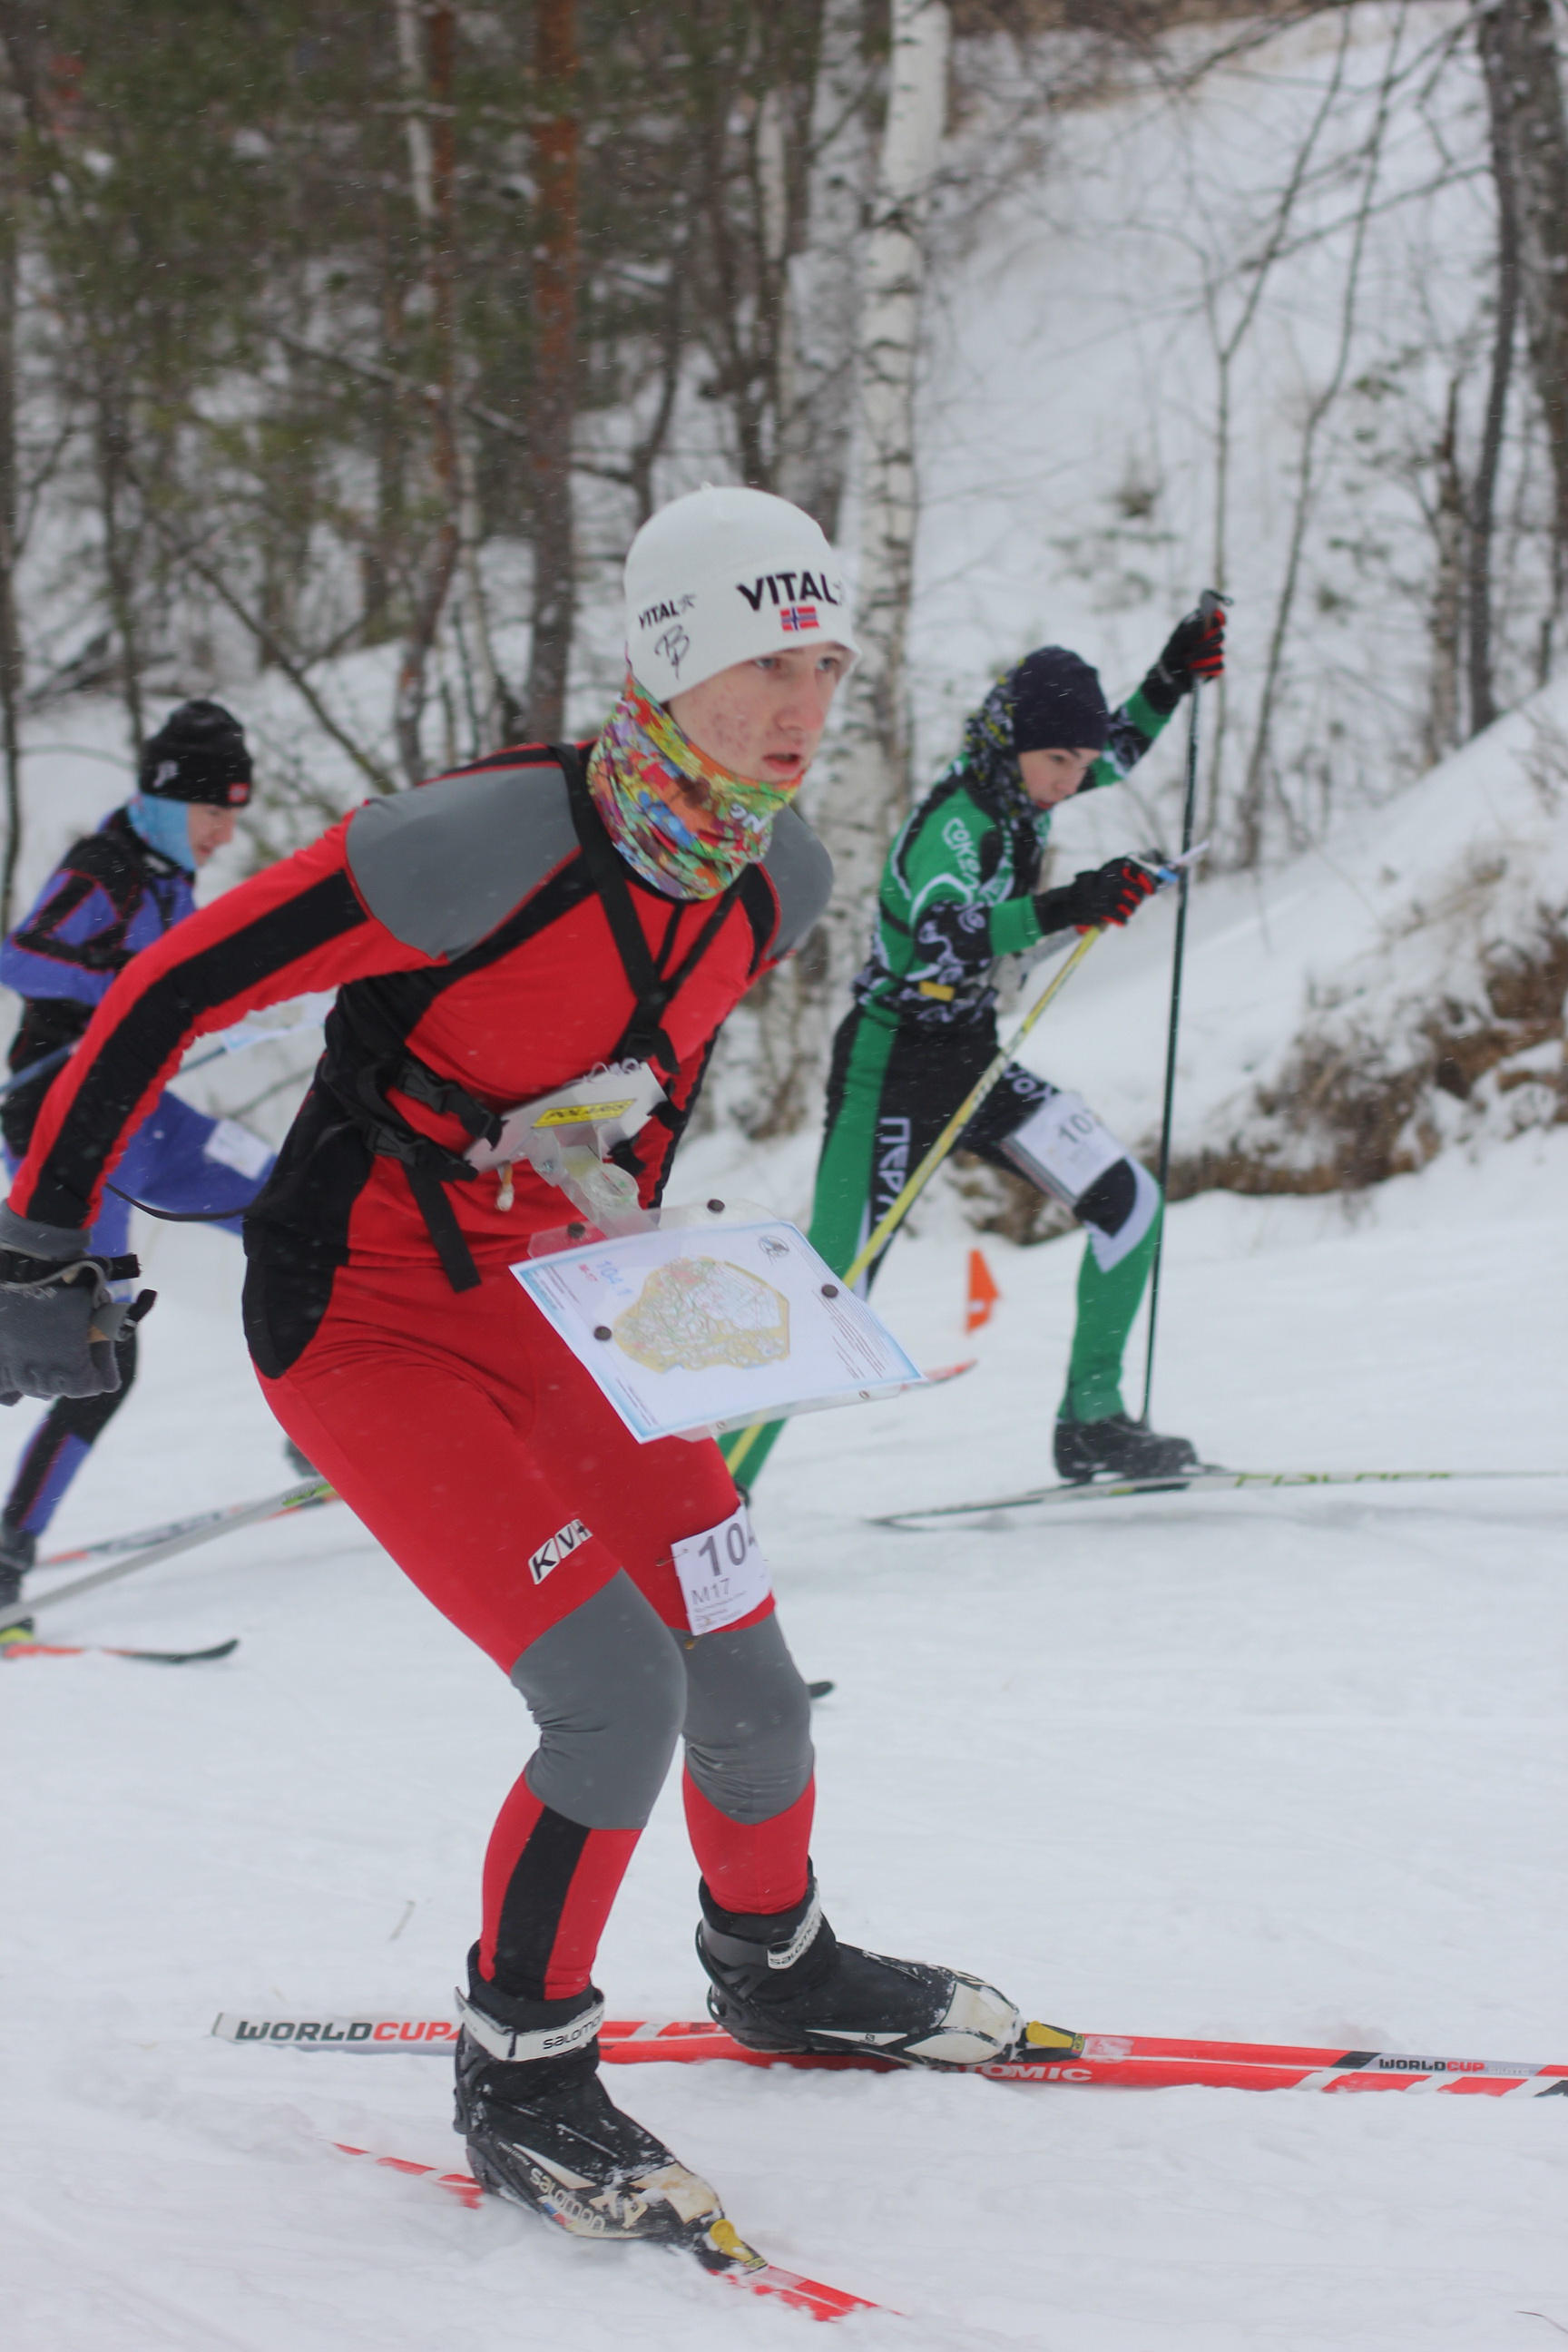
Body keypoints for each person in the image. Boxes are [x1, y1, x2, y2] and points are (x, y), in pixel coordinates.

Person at [0, 487, 1073, 2266]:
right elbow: (161, 990)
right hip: (361, 1314)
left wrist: (656, 1249)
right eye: (762, 661)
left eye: (826, 660)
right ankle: (523, 2068)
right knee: (612, 1697)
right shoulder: (473, 848)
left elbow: (619, 1084)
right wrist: (38, 1237)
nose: (805, 705)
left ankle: (778, 1968)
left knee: (753, 1684)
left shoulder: (775, 880)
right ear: (666, 661)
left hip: (565, 1307)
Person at [723, 608, 1226, 1494]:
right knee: (835, 1288)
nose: (1075, 781)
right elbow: (946, 938)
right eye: (1059, 762)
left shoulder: (1030, 781)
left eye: (1078, 764)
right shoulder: (958, 824)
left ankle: (1093, 1424)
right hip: (891, 1067)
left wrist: (1172, 676)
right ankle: (710, 1494)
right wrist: (1078, 902)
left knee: (1129, 1205)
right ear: (1015, 745)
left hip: (973, 1060)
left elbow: (1119, 749)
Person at [0, 701, 279, 1618]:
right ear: (168, 798)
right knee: (95, 1354)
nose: (224, 833)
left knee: (298, 1210)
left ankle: (332, 1430)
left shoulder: (165, 872)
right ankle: (6, 1555)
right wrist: (145, 987)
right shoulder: (107, 867)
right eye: (215, 812)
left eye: (235, 814)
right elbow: (24, 959)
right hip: (73, 1129)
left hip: (146, 1119)